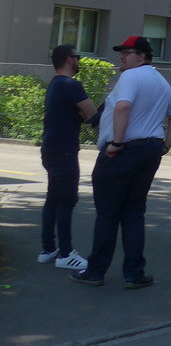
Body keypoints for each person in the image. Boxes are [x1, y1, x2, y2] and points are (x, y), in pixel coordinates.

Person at [71, 35, 171, 289]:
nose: (122, 57)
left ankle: (95, 271)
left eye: (127, 53)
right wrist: (166, 145)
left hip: (123, 151)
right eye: (121, 52)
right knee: (134, 212)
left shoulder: (131, 76)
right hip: (150, 149)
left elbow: (122, 108)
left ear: (141, 56)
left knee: (108, 214)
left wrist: (117, 143)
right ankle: (134, 273)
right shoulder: (161, 81)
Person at [38, 45, 97, 269]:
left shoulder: (55, 84)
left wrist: (81, 113)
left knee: (53, 198)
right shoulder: (71, 85)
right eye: (77, 57)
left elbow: (78, 115)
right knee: (67, 201)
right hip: (64, 152)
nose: (79, 60)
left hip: (50, 149)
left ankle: (48, 248)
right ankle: (65, 254)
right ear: (70, 60)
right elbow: (92, 115)